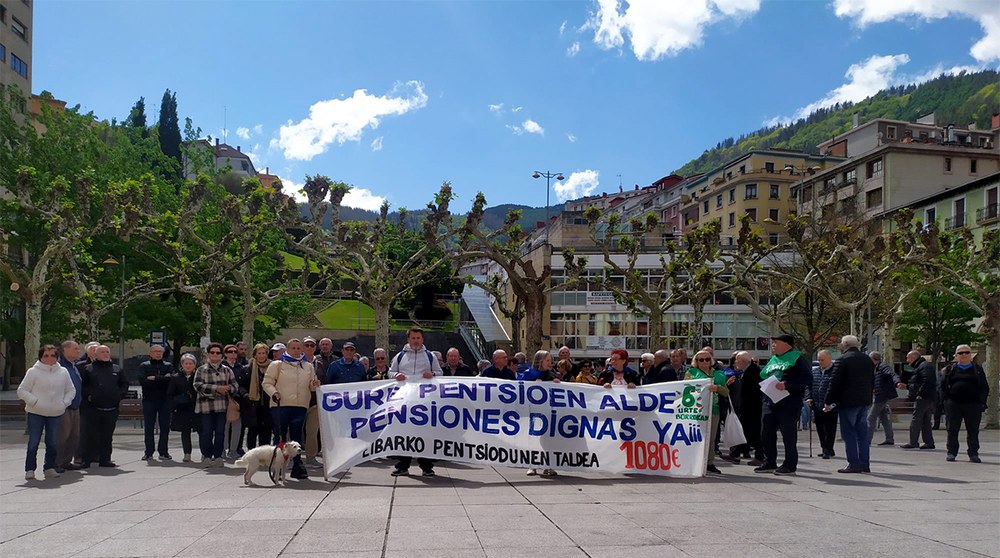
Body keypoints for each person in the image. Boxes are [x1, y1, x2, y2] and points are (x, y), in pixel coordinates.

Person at [389, 327, 443, 477]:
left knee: (424, 433)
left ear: (422, 339)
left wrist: (432, 373)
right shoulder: (400, 356)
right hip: (404, 401)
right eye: (413, 338)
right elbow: (391, 372)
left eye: (418, 338)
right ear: (408, 339)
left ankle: (426, 466)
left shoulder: (430, 356)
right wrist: (396, 375)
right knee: (404, 433)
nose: (416, 340)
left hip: (424, 402)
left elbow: (440, 373)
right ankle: (403, 465)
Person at [264, 338, 320, 480]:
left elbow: (311, 386)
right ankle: (278, 465)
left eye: (298, 348)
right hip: (280, 404)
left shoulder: (308, 366)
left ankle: (297, 464)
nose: (296, 351)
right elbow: (267, 383)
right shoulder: (277, 364)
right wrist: (274, 393)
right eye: (293, 348)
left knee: (296, 436)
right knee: (280, 435)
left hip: (300, 405)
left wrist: (315, 384)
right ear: (287, 349)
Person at [755, 334, 811, 476]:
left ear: (786, 344)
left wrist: (787, 385)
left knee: (788, 435)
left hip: (788, 403)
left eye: (776, 342)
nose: (773, 345)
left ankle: (789, 464)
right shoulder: (773, 359)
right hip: (769, 401)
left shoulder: (797, 358)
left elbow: (807, 378)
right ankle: (769, 461)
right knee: (766, 433)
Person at [19, 345, 76, 480]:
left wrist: (64, 403)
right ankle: (30, 469)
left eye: (53, 355)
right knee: (34, 441)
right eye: (46, 355)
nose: (50, 358)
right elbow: (22, 390)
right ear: (41, 357)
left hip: (55, 413)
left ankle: (49, 467)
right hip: (36, 412)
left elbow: (71, 390)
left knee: (52, 442)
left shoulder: (63, 372)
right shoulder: (33, 372)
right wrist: (34, 401)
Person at [825, 336, 875, 473]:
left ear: (845, 344)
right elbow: (872, 380)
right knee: (862, 434)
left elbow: (834, 382)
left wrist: (828, 400)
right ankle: (865, 463)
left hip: (847, 402)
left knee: (849, 434)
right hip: (864, 401)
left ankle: (854, 463)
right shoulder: (867, 359)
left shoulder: (842, 360)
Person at [79, 345, 129, 468]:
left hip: (111, 408)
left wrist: (119, 395)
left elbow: (124, 384)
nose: (106, 354)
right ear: (95, 355)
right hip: (93, 409)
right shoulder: (88, 369)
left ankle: (105, 459)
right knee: (90, 435)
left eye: (107, 352)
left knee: (107, 435)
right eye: (102, 352)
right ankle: (86, 460)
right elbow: (83, 386)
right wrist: (89, 396)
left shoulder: (117, 369)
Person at [940, 345, 989, 463]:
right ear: (956, 356)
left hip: (973, 404)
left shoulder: (977, 369)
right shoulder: (950, 369)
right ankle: (951, 452)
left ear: (970, 356)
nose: (964, 355)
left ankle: (973, 453)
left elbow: (984, 387)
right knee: (952, 429)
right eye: (961, 353)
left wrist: (981, 402)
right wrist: (946, 401)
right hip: (954, 404)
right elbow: (942, 386)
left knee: (973, 430)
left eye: (967, 353)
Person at [193, 343, 239, 468]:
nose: (215, 355)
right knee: (206, 432)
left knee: (220, 432)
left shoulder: (227, 370)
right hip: (206, 407)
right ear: (208, 354)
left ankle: (218, 456)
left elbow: (235, 385)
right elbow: (197, 385)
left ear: (221, 355)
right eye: (212, 352)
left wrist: (228, 388)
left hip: (222, 406)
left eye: (218, 353)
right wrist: (216, 388)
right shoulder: (201, 369)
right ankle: (206, 456)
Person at [685, 349, 728, 475]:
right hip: (696, 410)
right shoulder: (691, 373)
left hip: (713, 410)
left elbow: (726, 392)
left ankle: (709, 463)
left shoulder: (719, 374)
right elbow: (685, 388)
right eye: (701, 360)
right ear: (696, 362)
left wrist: (718, 388)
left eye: (707, 359)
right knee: (695, 436)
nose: (704, 362)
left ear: (711, 361)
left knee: (711, 437)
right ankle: (693, 461)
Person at [724, 351, 764, 465]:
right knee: (743, 431)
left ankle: (760, 456)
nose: (735, 362)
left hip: (752, 408)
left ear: (742, 360)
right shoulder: (745, 371)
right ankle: (735, 453)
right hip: (746, 407)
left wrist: (743, 404)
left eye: (736, 360)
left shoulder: (753, 371)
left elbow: (751, 392)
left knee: (754, 433)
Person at [138, 344, 175, 460]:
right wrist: (163, 378)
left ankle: (163, 451)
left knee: (165, 427)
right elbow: (144, 382)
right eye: (155, 351)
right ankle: (148, 452)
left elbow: (170, 381)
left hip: (165, 401)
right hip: (149, 400)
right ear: (150, 353)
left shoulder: (168, 365)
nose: (158, 353)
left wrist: (154, 378)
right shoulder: (144, 366)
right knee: (149, 427)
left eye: (160, 351)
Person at [306, 338, 338, 467]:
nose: (309, 347)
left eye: (311, 345)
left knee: (312, 431)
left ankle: (310, 457)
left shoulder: (318, 363)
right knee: (293, 431)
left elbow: (325, 381)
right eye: (306, 345)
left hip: (315, 402)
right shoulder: (296, 362)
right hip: (299, 401)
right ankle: (291, 458)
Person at [55, 340, 84, 472]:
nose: (78, 351)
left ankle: (67, 461)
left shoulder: (74, 366)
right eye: (75, 349)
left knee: (74, 435)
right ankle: (57, 462)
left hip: (75, 406)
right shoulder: (59, 366)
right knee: (62, 436)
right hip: (64, 406)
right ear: (65, 350)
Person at [900, 350, 937, 450]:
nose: (907, 361)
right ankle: (929, 442)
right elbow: (918, 383)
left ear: (914, 357)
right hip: (927, 397)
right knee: (925, 420)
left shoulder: (923, 366)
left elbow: (927, 381)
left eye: (908, 358)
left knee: (916, 419)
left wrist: (920, 394)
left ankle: (913, 442)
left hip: (923, 398)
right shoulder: (923, 366)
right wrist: (908, 387)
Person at [238, 343, 272, 451]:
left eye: (263, 353)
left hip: (268, 403)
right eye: (259, 353)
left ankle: (264, 454)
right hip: (252, 404)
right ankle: (252, 454)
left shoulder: (273, 367)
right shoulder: (247, 368)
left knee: (266, 430)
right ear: (255, 354)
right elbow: (241, 385)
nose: (261, 356)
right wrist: (246, 395)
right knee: (252, 430)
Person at [167, 353, 200, 462]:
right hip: (182, 408)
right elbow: (170, 394)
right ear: (182, 364)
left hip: (197, 407)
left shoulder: (199, 376)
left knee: (201, 431)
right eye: (186, 363)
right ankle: (187, 453)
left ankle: (205, 453)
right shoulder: (176, 377)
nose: (188, 366)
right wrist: (176, 403)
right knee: (185, 432)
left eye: (191, 363)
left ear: (195, 365)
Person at [806, 350, 837, 459]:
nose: (820, 362)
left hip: (831, 405)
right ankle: (825, 447)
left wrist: (833, 403)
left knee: (830, 429)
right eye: (819, 360)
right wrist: (808, 397)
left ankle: (828, 449)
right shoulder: (814, 371)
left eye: (822, 360)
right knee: (820, 428)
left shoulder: (835, 371)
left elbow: (837, 388)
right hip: (817, 404)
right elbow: (808, 386)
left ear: (829, 359)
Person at [868, 351, 900, 446]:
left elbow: (892, 374)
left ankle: (867, 440)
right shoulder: (877, 368)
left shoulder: (882, 366)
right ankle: (889, 439)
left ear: (872, 359)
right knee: (884, 418)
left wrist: (897, 382)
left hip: (881, 396)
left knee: (871, 417)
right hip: (882, 395)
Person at [221, 344, 244, 459]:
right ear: (225, 354)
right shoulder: (221, 367)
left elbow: (243, 383)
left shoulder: (241, 367)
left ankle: (233, 450)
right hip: (222, 399)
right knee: (224, 427)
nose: (233, 353)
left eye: (235, 352)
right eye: (230, 351)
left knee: (237, 426)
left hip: (237, 401)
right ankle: (223, 450)